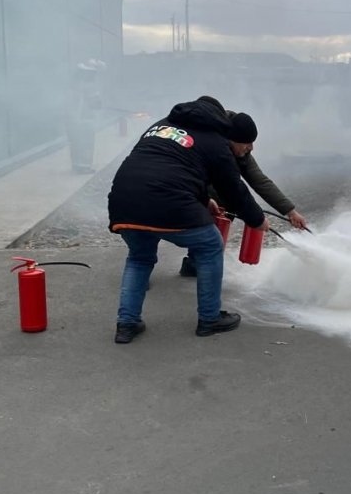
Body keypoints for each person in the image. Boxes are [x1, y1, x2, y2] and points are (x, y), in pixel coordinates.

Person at [107, 99, 268, 344]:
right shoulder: (216, 142)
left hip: (124, 201)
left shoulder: (161, 126)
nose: (250, 148)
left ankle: (126, 324)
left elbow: (172, 167)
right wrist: (257, 220)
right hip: (167, 203)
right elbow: (234, 189)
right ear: (230, 134)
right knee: (210, 245)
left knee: (139, 258)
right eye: (246, 143)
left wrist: (203, 200)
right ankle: (209, 319)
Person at [179, 95, 309, 277]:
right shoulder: (212, 144)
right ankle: (200, 261)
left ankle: (197, 262)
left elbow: (259, 180)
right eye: (247, 143)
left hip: (209, 192)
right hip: (187, 190)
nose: (251, 148)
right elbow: (228, 187)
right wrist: (252, 215)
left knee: (227, 205)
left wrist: (290, 211)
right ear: (231, 140)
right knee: (224, 201)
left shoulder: (239, 145)